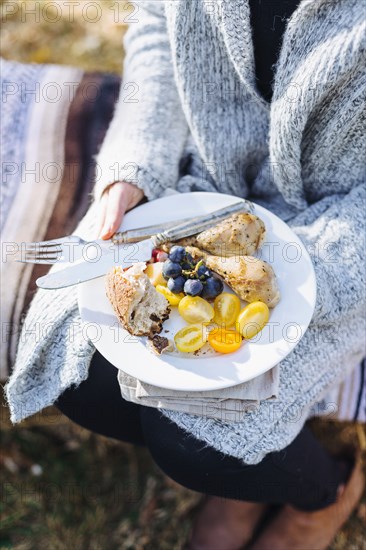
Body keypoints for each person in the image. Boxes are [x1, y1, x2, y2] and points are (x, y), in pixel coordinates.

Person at [5, 1, 365, 548]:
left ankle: (324, 495)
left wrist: (305, 275)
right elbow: (158, 29)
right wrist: (134, 167)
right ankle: (246, 483)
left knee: (199, 443)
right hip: (197, 196)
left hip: (342, 244)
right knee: (81, 377)